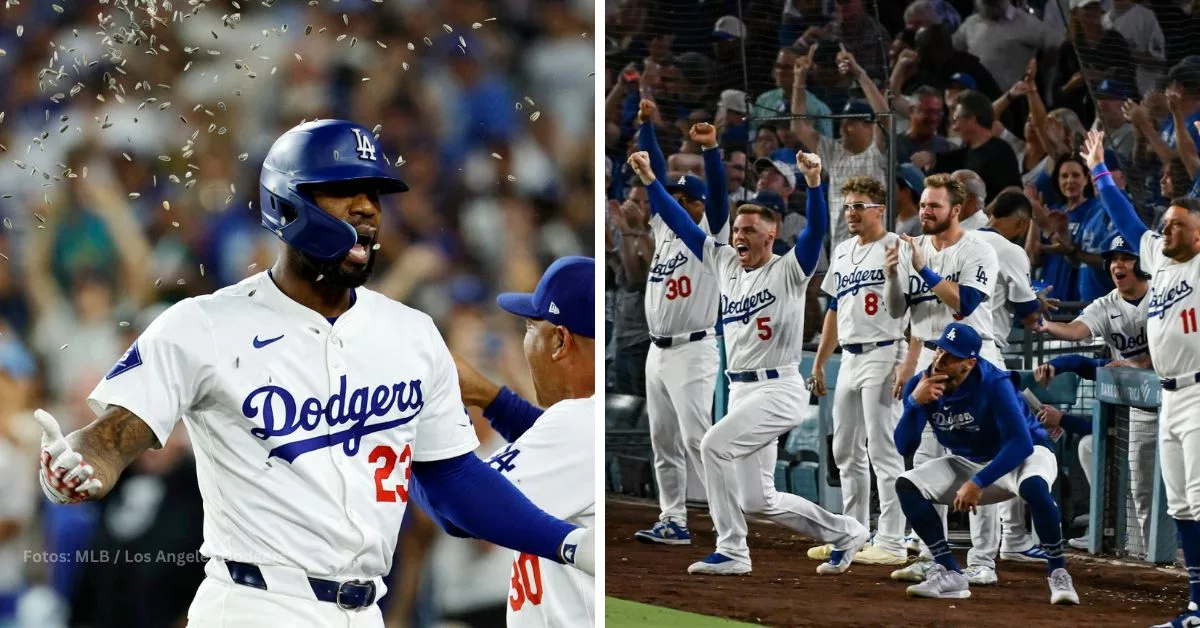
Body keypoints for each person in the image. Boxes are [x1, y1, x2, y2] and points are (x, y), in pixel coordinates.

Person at [32, 120, 594, 628]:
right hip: (254, 605)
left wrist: (568, 544)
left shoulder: (413, 333)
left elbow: (453, 485)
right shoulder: (203, 325)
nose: (368, 207)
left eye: (374, 193)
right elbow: (108, 441)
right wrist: (75, 467)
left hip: (363, 610)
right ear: (287, 201)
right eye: (345, 189)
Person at [628, 148, 870, 577]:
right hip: (741, 389)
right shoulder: (724, 262)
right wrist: (650, 179)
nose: (738, 235)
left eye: (749, 230)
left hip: (778, 388)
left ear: (769, 237)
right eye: (737, 228)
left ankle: (733, 550)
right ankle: (846, 532)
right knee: (758, 499)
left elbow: (815, 232)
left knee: (712, 445)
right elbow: (682, 224)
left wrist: (814, 185)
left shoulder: (790, 269)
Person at [1084, 129, 1200, 627]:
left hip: (1199, 390)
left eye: (1176, 224)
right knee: (1181, 504)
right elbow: (1128, 221)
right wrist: (1098, 171)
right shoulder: (1158, 261)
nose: (1165, 230)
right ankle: (1197, 605)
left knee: (1199, 498)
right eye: (1166, 224)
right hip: (1168, 395)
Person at [447, 256, 597, 628]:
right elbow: (550, 436)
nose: (525, 341)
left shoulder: (576, 421)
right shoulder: (585, 421)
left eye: (530, 328)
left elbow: (463, 506)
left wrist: (420, 420)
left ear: (560, 341)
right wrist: (490, 397)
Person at [893, 323, 1079, 605]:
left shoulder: (994, 383)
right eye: (939, 350)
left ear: (969, 363)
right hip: (968, 460)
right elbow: (904, 446)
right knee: (907, 484)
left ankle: (1058, 572)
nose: (939, 360)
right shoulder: (923, 384)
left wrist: (977, 483)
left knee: (1035, 488)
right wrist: (914, 405)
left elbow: (1021, 443)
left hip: (1022, 456)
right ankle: (949, 571)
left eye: (950, 356)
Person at [882, 173, 1005, 587]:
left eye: (934, 206)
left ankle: (983, 559)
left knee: (982, 459)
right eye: (922, 205)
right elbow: (901, 310)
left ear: (957, 209)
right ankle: (933, 554)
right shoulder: (911, 250)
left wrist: (923, 270)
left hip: (975, 361)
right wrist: (892, 276)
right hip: (932, 361)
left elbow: (965, 302)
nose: (924, 212)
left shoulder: (978, 249)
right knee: (923, 461)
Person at [631, 101, 727, 545]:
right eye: (678, 198)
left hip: (694, 349)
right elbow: (655, 190)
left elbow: (720, 198)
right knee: (663, 442)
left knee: (697, 439)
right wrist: (648, 124)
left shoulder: (714, 234)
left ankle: (728, 518)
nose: (680, 203)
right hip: (659, 350)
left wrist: (711, 152)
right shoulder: (665, 229)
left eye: (688, 199)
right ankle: (674, 520)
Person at [805, 176, 910, 567]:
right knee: (845, 450)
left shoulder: (895, 246)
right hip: (848, 357)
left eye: (859, 205)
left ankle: (893, 541)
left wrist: (895, 274)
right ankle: (852, 533)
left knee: (883, 450)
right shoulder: (844, 250)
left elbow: (901, 309)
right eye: (848, 206)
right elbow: (834, 309)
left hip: (886, 350)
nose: (852, 212)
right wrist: (819, 361)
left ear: (879, 210)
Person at [1033, 233, 1154, 552]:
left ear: (1143, 263)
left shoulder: (1161, 295)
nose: (1118, 265)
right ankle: (1139, 548)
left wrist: (1137, 362)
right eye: (1114, 259)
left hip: (1175, 395)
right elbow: (1075, 332)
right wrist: (1046, 325)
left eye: (1126, 258)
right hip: (1139, 406)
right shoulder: (1106, 305)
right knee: (1129, 476)